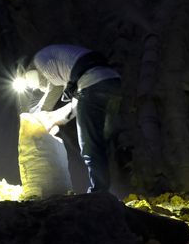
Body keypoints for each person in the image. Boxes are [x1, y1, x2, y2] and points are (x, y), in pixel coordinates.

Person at [17, 44, 121, 193]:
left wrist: (38, 113)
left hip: (93, 84)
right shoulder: (69, 71)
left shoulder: (40, 59)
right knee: (100, 141)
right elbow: (75, 107)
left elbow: (55, 88)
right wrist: (53, 118)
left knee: (90, 145)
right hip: (112, 82)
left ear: (25, 72)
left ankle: (98, 192)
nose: (34, 88)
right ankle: (104, 190)